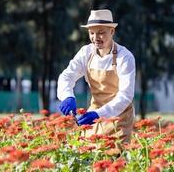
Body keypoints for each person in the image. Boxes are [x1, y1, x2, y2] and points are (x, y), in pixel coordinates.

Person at [57, 9, 136, 142]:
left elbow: (125, 96)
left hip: (118, 117)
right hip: (93, 113)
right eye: (91, 33)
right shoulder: (86, 53)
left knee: (115, 157)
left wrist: (98, 114)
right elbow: (67, 76)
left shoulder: (124, 57)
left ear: (112, 32)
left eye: (101, 33)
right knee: (88, 153)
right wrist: (67, 96)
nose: (95, 38)